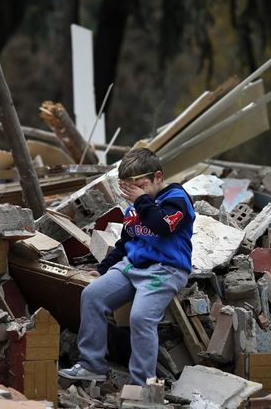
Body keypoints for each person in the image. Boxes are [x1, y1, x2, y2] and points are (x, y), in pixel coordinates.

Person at [58, 148, 196, 385]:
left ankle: (143, 386)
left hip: (166, 269)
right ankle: (92, 365)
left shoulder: (177, 199)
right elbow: (126, 241)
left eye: (140, 186)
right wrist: (102, 269)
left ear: (158, 177)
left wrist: (141, 200)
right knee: (92, 295)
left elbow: (162, 226)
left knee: (141, 317)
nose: (133, 193)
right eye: (128, 188)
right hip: (132, 266)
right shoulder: (136, 205)